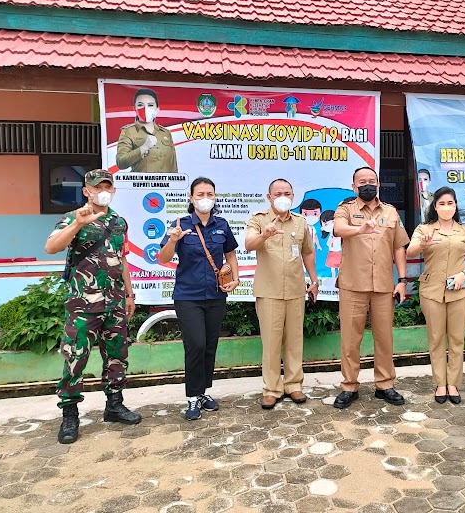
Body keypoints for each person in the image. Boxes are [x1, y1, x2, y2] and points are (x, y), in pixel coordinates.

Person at [45, 169, 140, 444]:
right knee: (76, 357)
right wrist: (76, 225)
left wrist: (130, 295)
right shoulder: (73, 218)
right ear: (86, 190)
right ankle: (70, 415)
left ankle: (114, 405)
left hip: (115, 302)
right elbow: (51, 247)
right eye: (98, 186)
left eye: (108, 186)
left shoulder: (119, 222)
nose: (103, 191)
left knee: (116, 354)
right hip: (83, 303)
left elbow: (121, 261)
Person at [158, 177, 239, 420]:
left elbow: (231, 254)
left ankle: (203, 392)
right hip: (188, 296)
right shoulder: (180, 224)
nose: (205, 198)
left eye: (210, 194)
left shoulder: (222, 224)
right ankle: (192, 397)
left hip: (215, 295)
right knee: (196, 345)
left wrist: (235, 278)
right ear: (191, 198)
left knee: (210, 346)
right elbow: (163, 258)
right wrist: (173, 240)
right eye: (200, 194)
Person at [332, 166, 410, 409]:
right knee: (350, 339)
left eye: (372, 181)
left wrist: (403, 280)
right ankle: (349, 386)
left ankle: (385, 384)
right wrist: (360, 229)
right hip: (353, 285)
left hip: (384, 285)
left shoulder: (390, 212)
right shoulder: (346, 208)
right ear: (354, 186)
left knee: (384, 337)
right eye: (362, 181)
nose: (367, 184)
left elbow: (399, 246)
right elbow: (338, 229)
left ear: (378, 184)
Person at [245, 179, 319, 410]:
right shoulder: (258, 219)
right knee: (271, 342)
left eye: (287, 193)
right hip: (269, 291)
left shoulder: (300, 222)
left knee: (294, 341)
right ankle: (272, 388)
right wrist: (264, 235)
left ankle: (293, 385)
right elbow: (248, 244)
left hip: (296, 290)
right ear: (269, 196)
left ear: (293, 196)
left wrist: (314, 280)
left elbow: (308, 252)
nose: (283, 196)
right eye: (278, 193)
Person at [406, 187, 465, 404]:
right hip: (431, 292)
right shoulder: (425, 229)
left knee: (457, 339)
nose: (446, 207)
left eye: (450, 203)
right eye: (442, 203)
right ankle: (440, 384)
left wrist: (463, 274)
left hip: (460, 292)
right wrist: (423, 243)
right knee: (436, 338)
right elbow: (410, 252)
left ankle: (453, 384)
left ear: (456, 205)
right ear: (435, 206)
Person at [116, 88, 178, 173]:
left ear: (157, 109)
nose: (145, 109)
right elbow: (121, 162)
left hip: (165, 185)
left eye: (150, 105)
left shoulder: (165, 133)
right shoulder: (129, 131)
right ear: (134, 108)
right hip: (141, 185)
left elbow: (173, 166)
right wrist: (143, 148)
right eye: (141, 105)